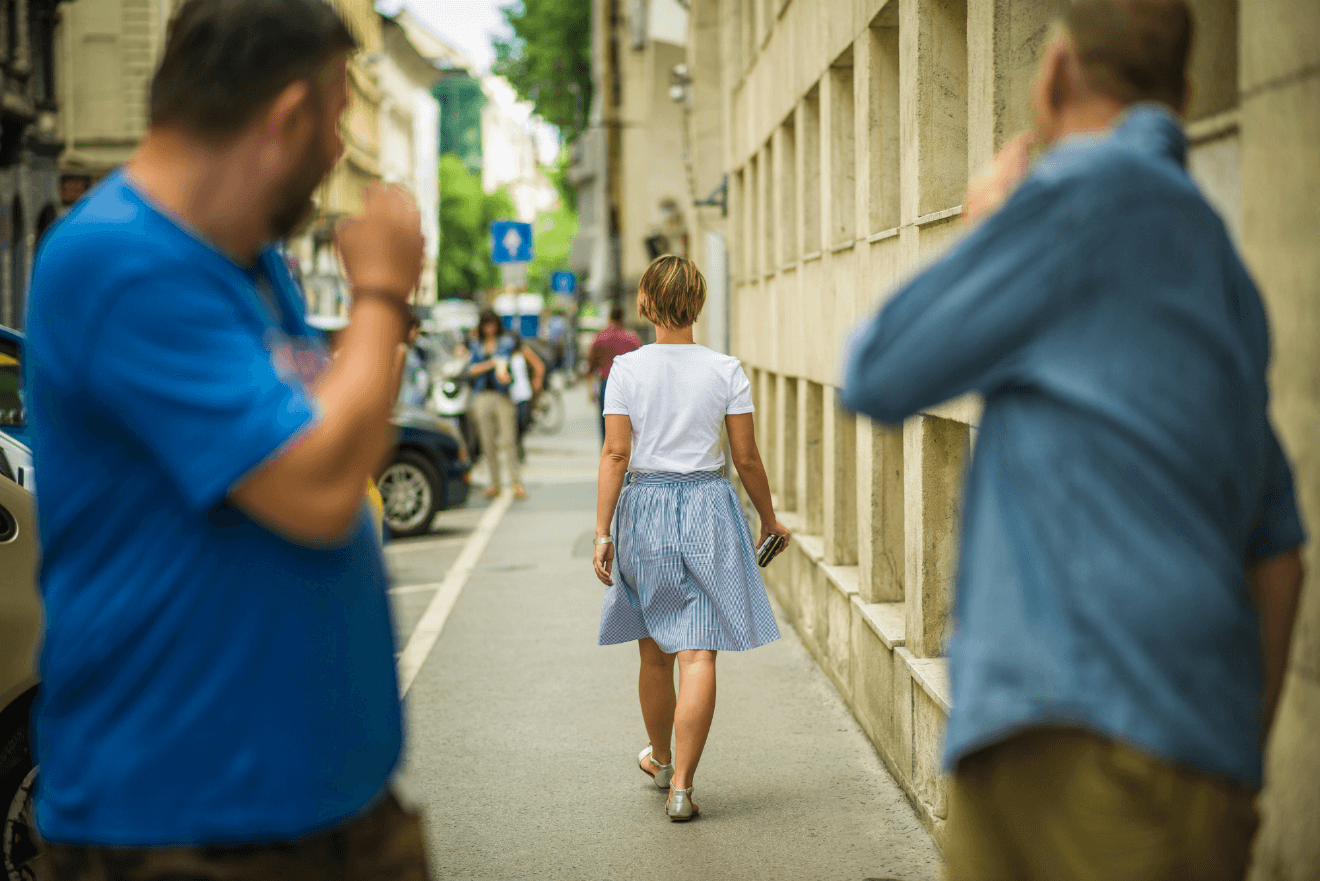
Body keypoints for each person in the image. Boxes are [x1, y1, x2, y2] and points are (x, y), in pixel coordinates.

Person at [840, 3, 1305, 879]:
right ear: (1187, 95)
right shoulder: (1217, 261)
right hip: (1197, 759)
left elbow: (880, 369)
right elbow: (1279, 552)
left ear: (1052, 76)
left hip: (1068, 747)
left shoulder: (1081, 197)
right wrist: (1236, 765)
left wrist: (985, 231)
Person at [25, 1, 431, 878]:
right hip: (191, 827)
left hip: (320, 808)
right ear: (287, 117)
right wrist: (383, 296)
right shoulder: (121, 259)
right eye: (334, 123)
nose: (337, 156)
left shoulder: (246, 262)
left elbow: (350, 445)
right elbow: (318, 490)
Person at [593, 255, 789, 821]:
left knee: (654, 651)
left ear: (646, 303)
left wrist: (603, 532)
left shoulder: (627, 370)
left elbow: (615, 453)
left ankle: (658, 758)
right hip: (708, 504)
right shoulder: (725, 369)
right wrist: (769, 519)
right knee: (699, 652)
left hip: (646, 506)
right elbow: (745, 457)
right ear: (698, 304)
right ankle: (681, 786)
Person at [464, 309, 528, 500]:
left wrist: (503, 373)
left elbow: (506, 363)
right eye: (486, 324)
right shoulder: (477, 345)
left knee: (509, 440)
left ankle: (516, 482)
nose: (490, 328)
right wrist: (491, 363)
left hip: (503, 395)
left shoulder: (505, 342)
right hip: (482, 395)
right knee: (487, 441)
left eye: (492, 324)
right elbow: (471, 370)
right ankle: (495, 482)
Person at [587, 305, 640, 442]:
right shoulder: (632, 339)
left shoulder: (600, 338)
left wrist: (590, 391)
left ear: (610, 317)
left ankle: (607, 459)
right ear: (623, 318)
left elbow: (591, 366)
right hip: (628, 386)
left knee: (606, 427)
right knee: (626, 427)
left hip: (607, 385)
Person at [507, 331, 545, 461]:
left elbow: (539, 366)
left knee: (522, 422)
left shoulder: (523, 351)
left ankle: (518, 443)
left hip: (524, 392)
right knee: (512, 423)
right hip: (509, 394)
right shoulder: (502, 352)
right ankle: (516, 448)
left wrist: (537, 380)